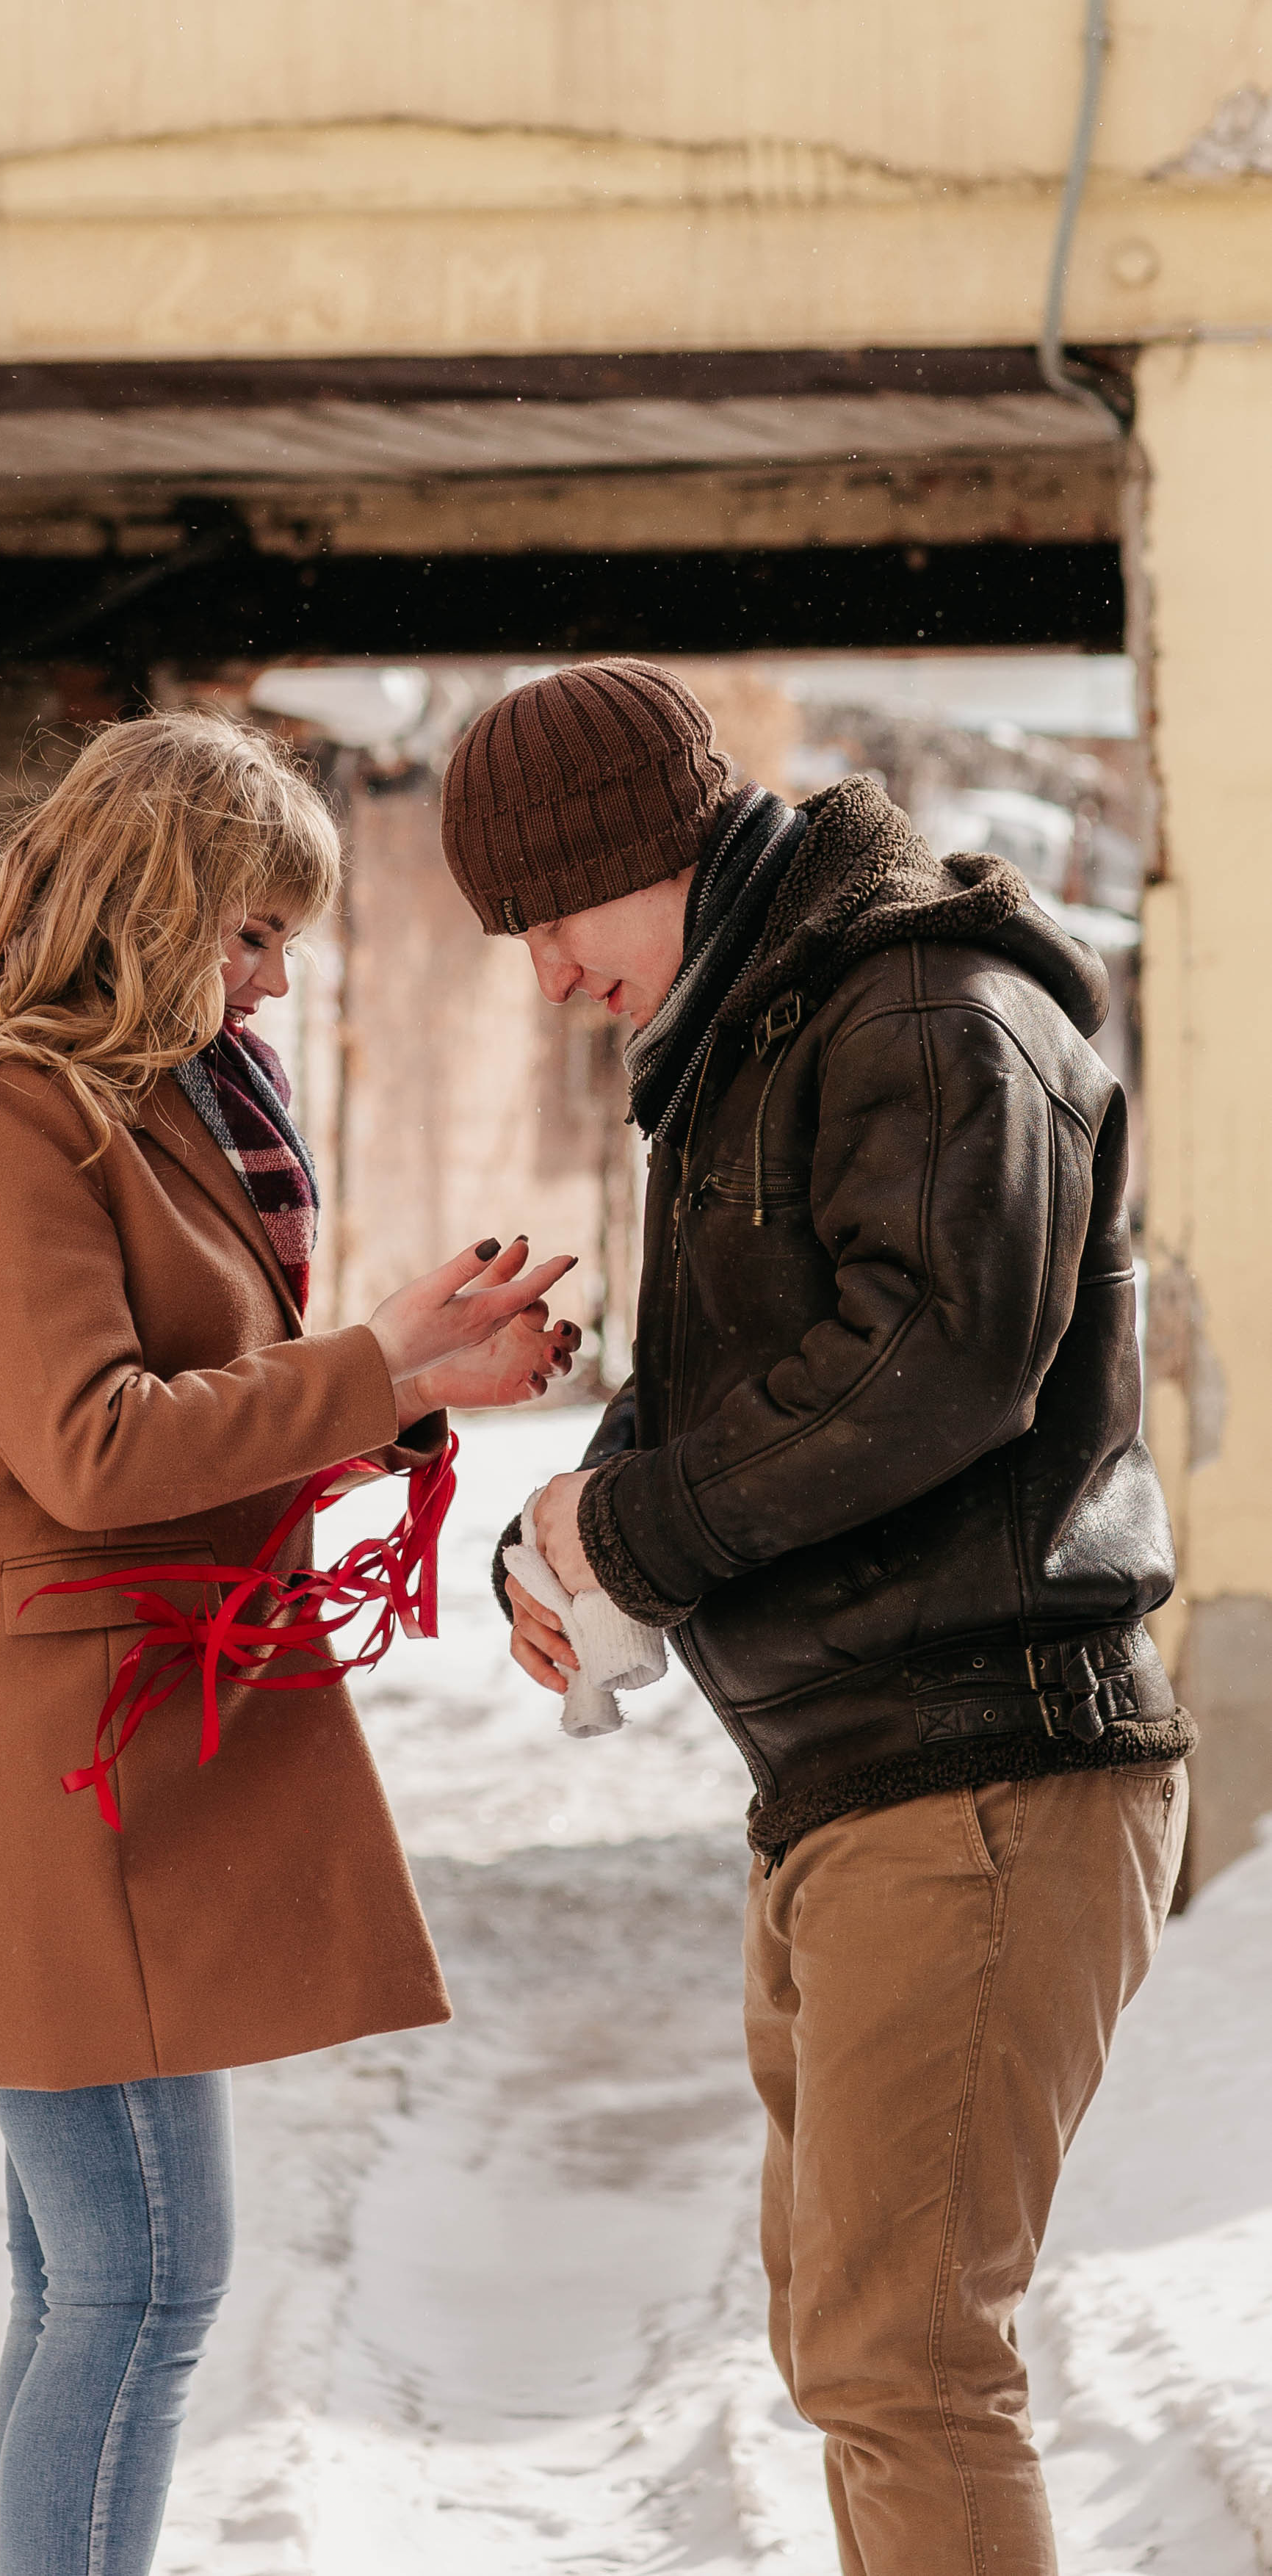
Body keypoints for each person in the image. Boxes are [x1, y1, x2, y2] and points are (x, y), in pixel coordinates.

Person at [0, 709, 578, 2576]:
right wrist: (371, 1360)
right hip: (42, 1754)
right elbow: (91, 1443)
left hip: (100, 1732)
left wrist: (407, 1384)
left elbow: (190, 1386)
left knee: (88, 2274)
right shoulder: (3, 1116)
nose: (277, 976)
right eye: (249, 931)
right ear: (149, 909)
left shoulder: (144, 1093)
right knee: (143, 2278)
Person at [439, 659, 1192, 2576]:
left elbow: (930, 1369)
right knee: (857, 2348)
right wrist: (575, 1535)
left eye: (549, 918)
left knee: (905, 2361)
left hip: (983, 1766)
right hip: (858, 1776)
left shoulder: (929, 1013)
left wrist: (649, 1533)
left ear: (654, 851)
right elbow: (751, 1389)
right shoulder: (757, 1039)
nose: (543, 973)